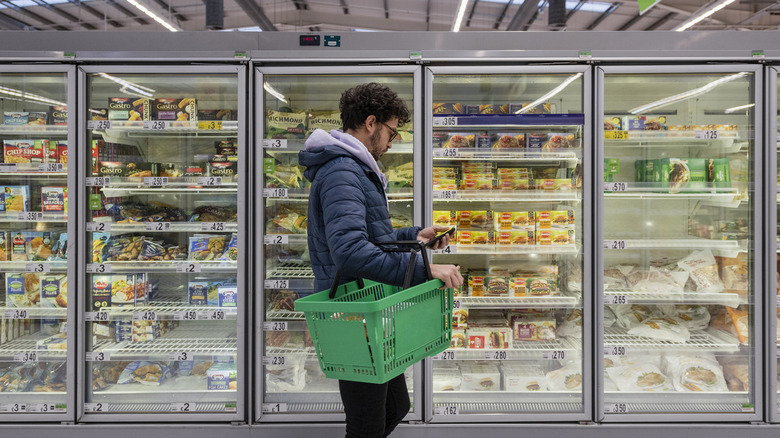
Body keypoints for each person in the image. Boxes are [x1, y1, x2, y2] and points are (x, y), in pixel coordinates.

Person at [299, 82, 463, 438]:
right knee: (367, 424)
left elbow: (366, 237)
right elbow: (351, 250)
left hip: (366, 304)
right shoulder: (343, 171)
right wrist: (425, 269)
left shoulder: (354, 168)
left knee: (395, 407)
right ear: (371, 123)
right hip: (350, 311)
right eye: (392, 131)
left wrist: (414, 237)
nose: (393, 142)